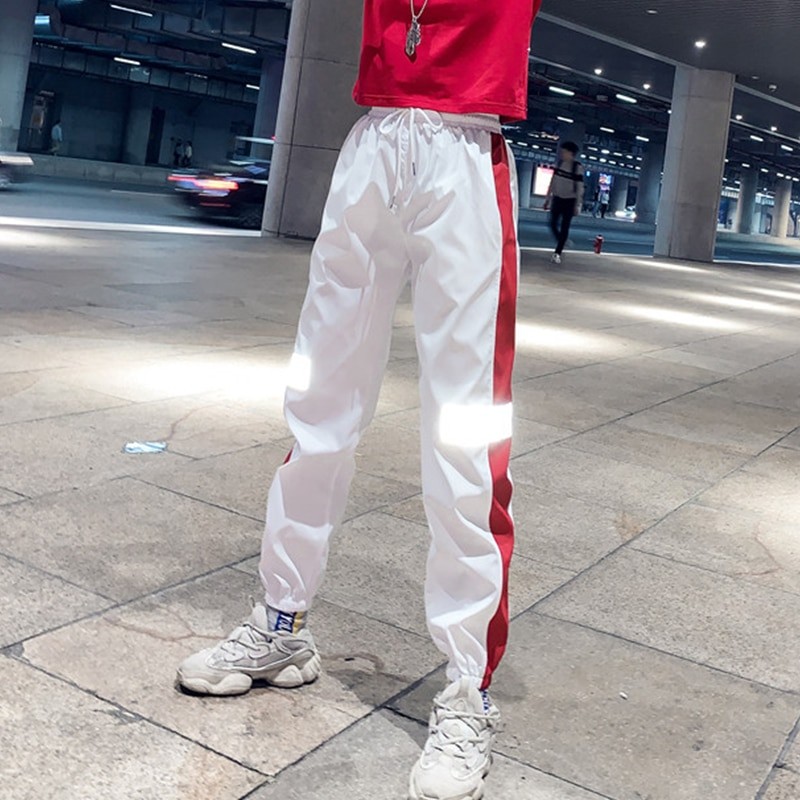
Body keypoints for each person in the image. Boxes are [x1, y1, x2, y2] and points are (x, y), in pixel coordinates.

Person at [177, 2, 542, 798]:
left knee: (467, 435)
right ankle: (282, 623)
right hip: (373, 145)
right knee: (319, 403)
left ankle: (468, 689)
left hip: (465, 151)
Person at [544, 141, 584, 264]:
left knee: (565, 226)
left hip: (570, 201)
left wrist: (578, 204)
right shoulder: (559, 164)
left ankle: (558, 253)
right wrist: (548, 198)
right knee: (552, 223)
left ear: (571, 153)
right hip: (557, 198)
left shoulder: (577, 167)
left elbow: (579, 187)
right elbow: (553, 181)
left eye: (564, 152)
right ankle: (562, 240)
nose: (562, 154)